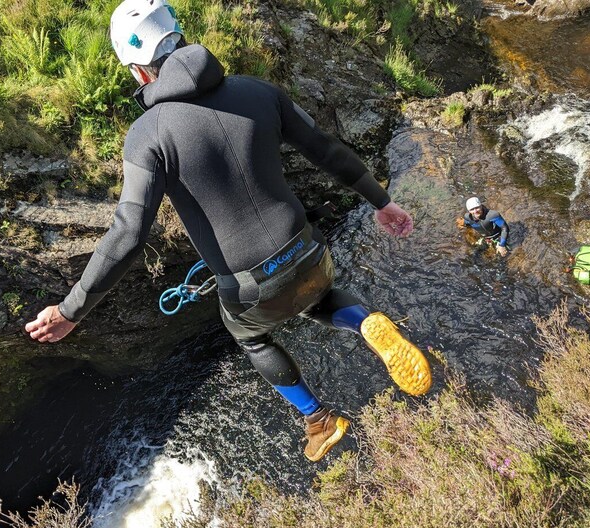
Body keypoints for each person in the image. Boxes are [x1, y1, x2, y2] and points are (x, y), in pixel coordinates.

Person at [25, 0, 431, 462]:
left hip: (251, 286)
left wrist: (71, 310)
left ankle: (319, 420)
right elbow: (327, 150)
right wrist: (382, 202)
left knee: (250, 335)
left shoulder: (147, 134)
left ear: (138, 71)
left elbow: (127, 233)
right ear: (180, 36)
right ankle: (365, 322)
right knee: (314, 297)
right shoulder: (259, 91)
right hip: (309, 250)